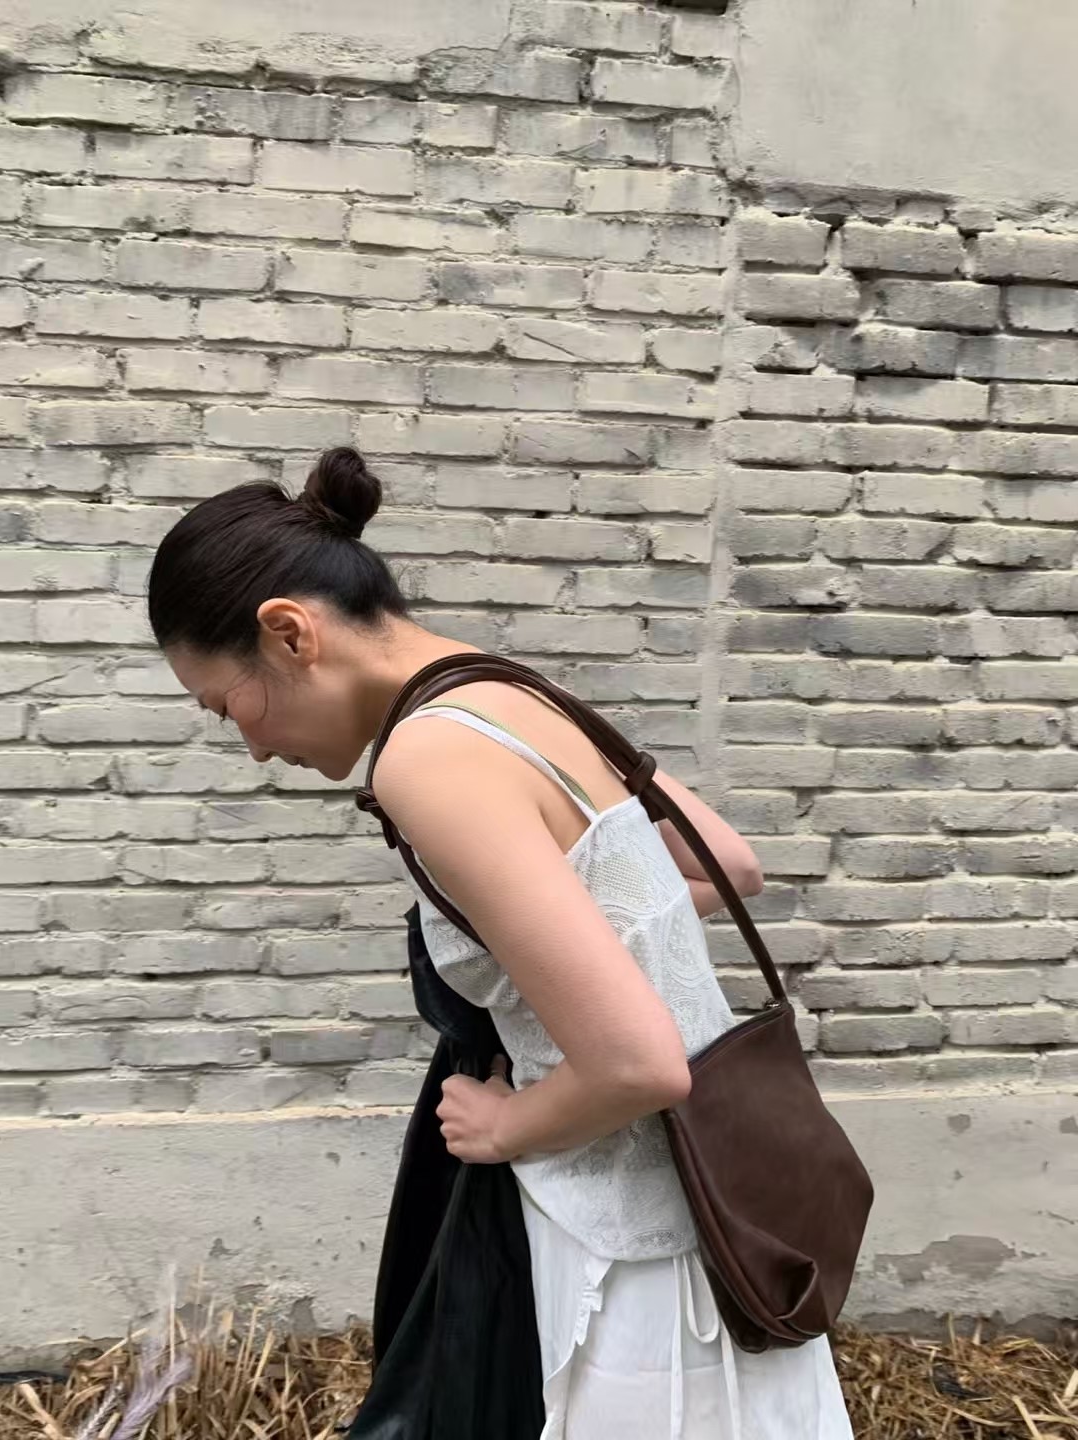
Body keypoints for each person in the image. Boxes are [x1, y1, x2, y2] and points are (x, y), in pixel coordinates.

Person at [148, 446, 854, 1439]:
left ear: (291, 632)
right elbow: (725, 863)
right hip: (730, 1211)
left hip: (634, 1252)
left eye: (229, 706)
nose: (254, 747)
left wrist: (503, 1124)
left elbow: (638, 1064)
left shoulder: (426, 756)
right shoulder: (506, 691)